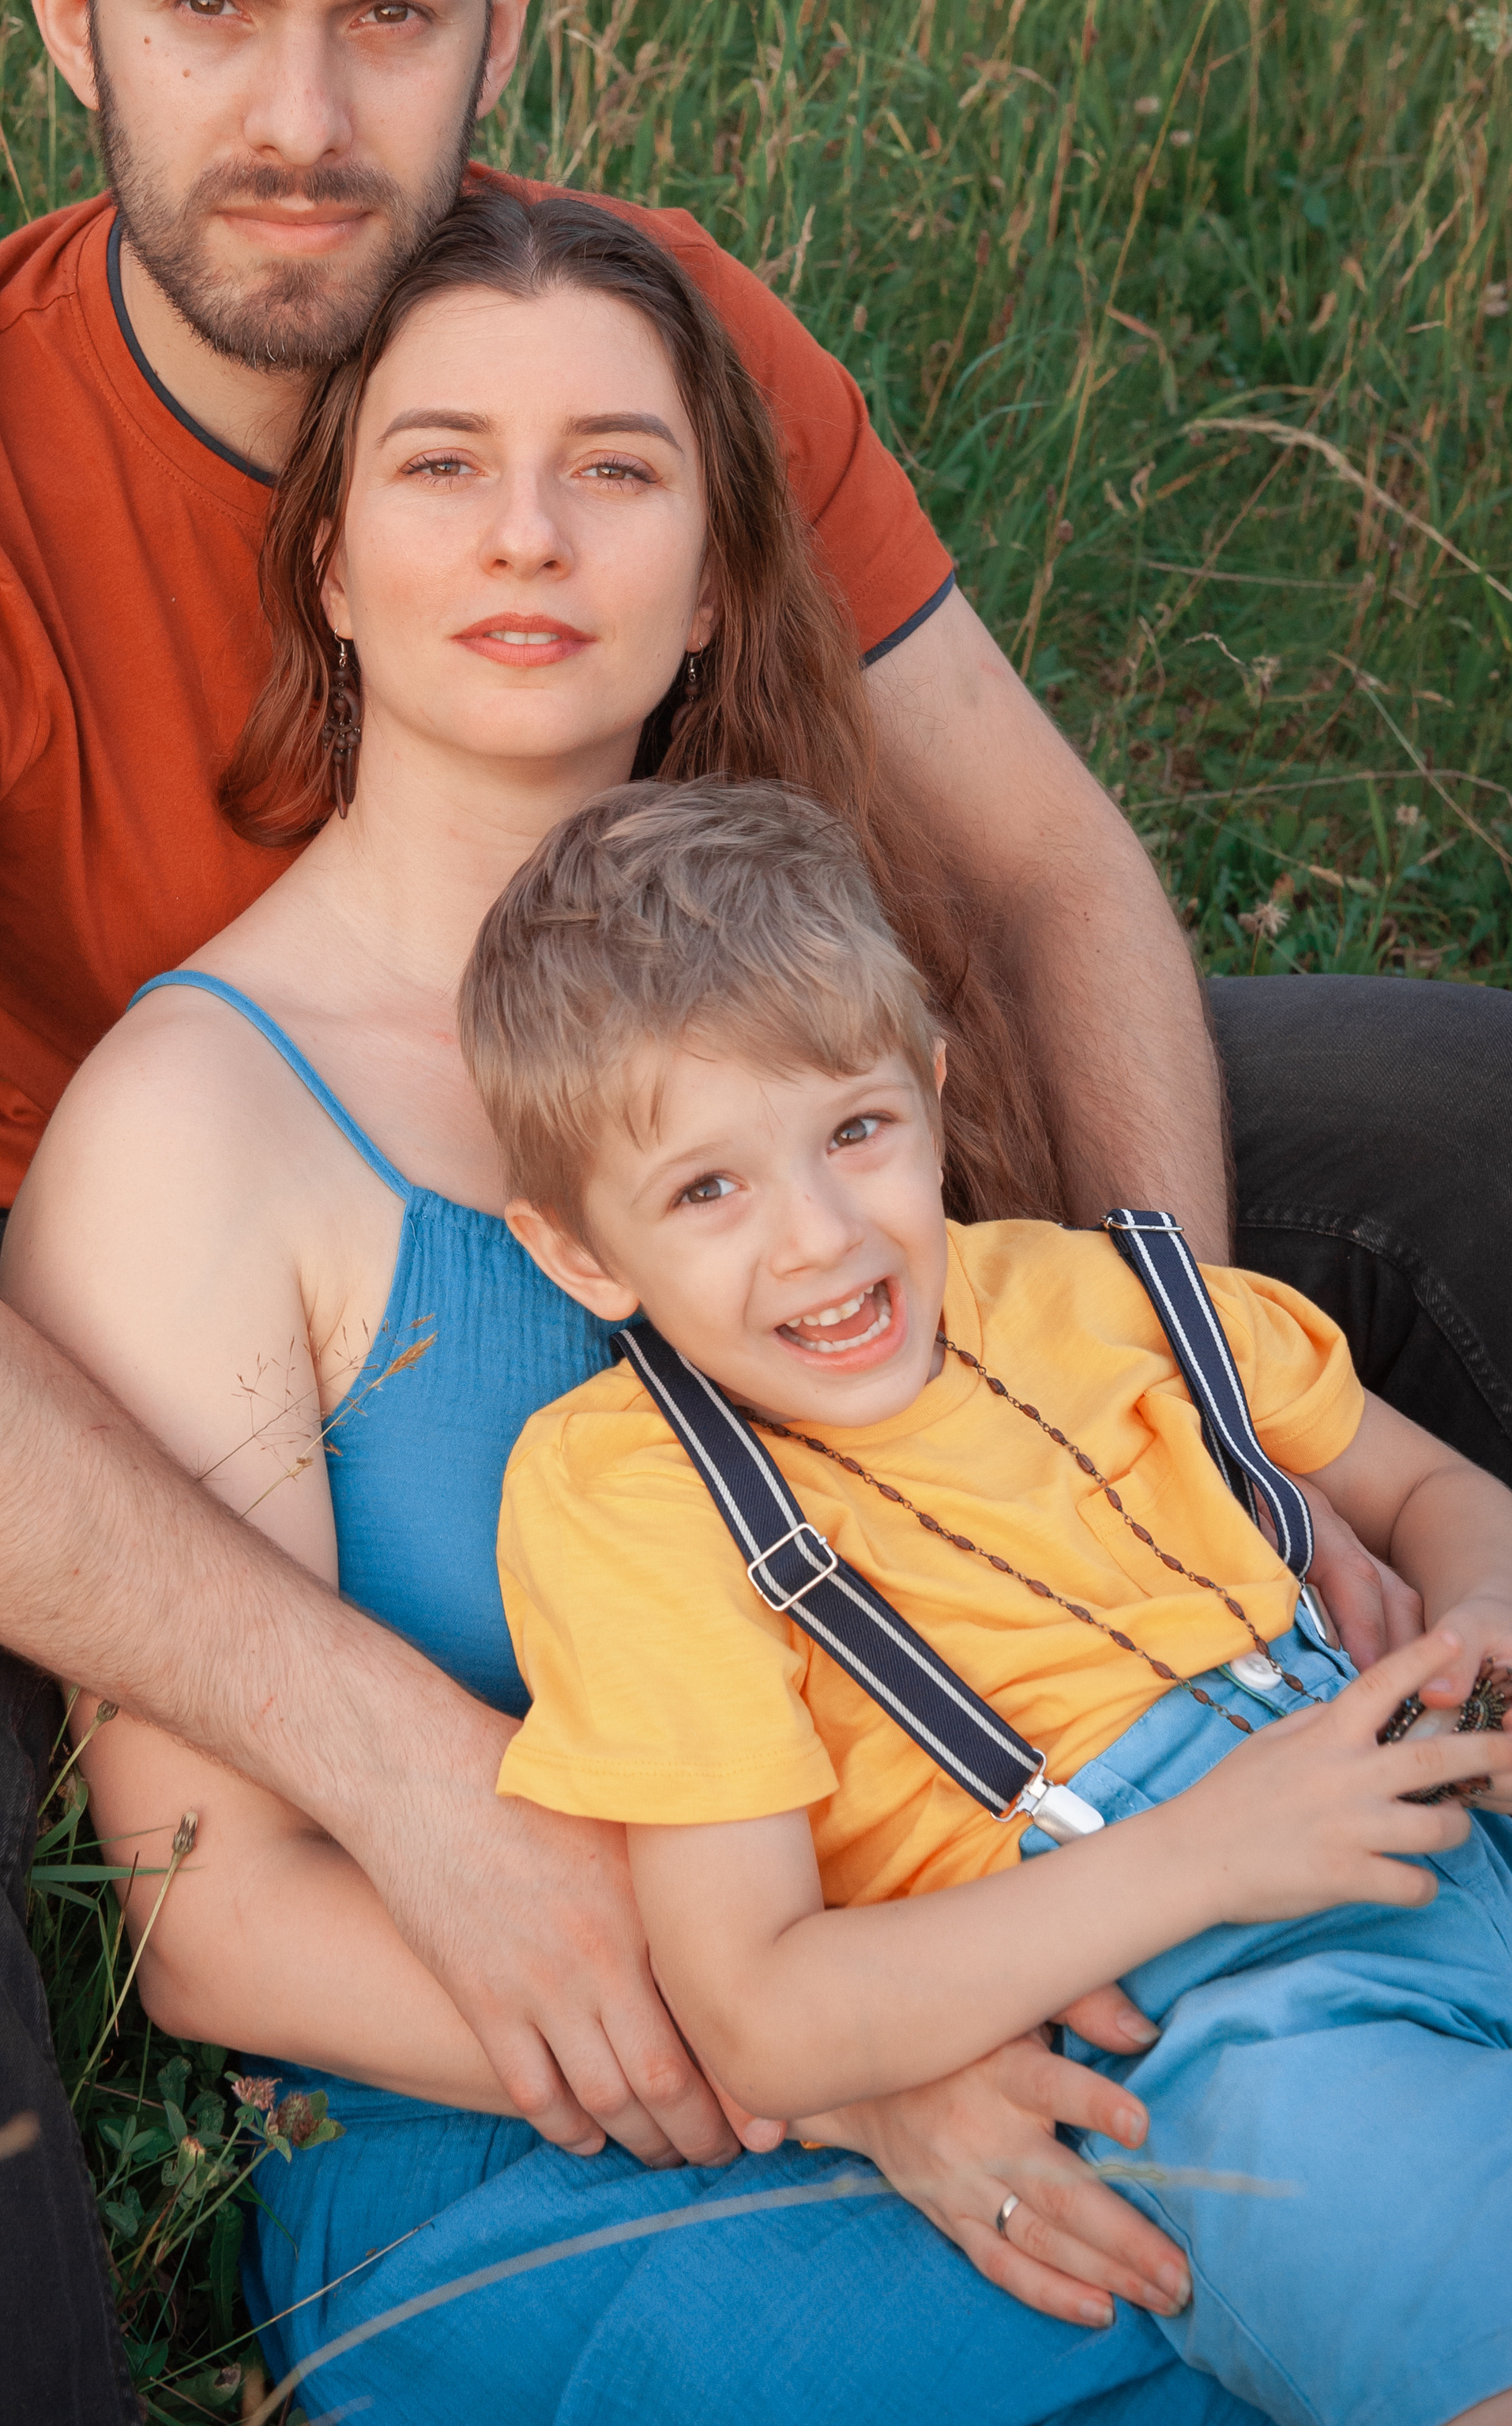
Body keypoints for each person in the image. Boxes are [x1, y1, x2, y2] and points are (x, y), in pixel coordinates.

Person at [0, 0, 1503, 2424]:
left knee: (1459, 1096)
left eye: (385, 17)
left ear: (501, 19)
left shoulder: (631, 327)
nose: (298, 115)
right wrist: (393, 1753)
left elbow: (1046, 860)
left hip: (737, 1050)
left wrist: (1151, 1453)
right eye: (211, 10)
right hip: (49, 1260)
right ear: (68, 14)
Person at [2, 183, 1272, 2422]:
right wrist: (847, 2078)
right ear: (330, 566)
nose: (528, 538)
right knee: (1297, 2277)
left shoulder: (821, 1015)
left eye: (615, 468)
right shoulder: (198, 1127)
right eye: (439, 464)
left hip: (1042, 1949)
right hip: (551, 2147)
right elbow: (219, 1923)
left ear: (708, 585)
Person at [464, 773, 1512, 2426]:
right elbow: (759, 2015)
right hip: (1226, 2028)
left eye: (853, 1132)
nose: (816, 1238)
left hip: (1426, 1798)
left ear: (931, 1092)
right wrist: (1209, 1848)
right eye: (704, 1191)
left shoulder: (1101, 1290)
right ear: (582, 1254)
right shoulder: (628, 1491)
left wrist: (1475, 1630)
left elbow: (1439, 1493)